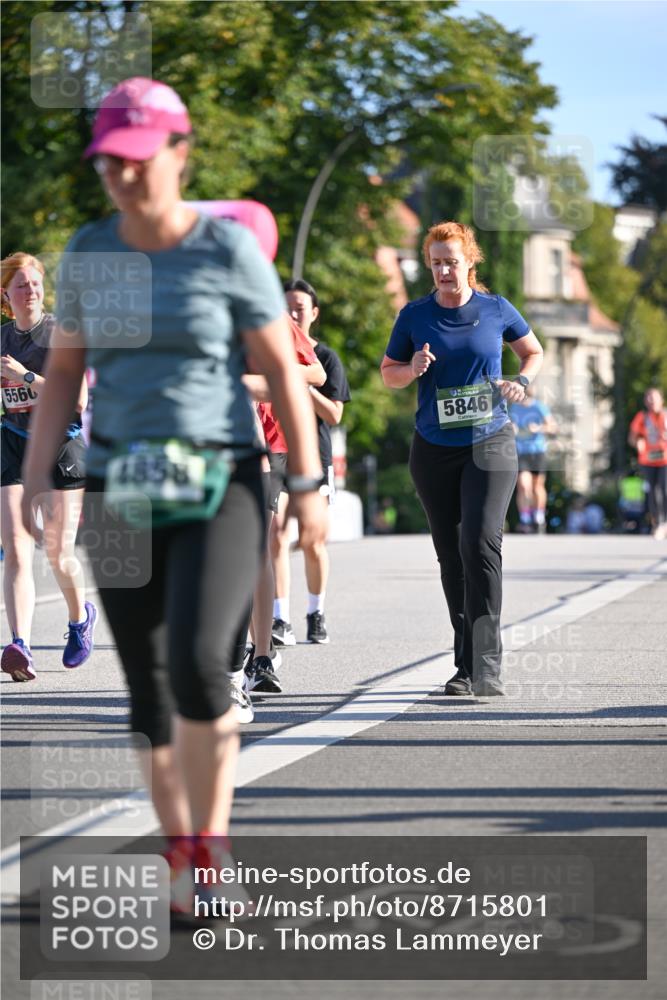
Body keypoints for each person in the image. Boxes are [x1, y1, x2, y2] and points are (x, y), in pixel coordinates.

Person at [20, 77, 326, 898]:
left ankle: (209, 840)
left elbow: (282, 375)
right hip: (122, 486)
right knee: (148, 688)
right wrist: (34, 474)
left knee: (198, 665)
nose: (121, 175)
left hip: (220, 477)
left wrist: (303, 484)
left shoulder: (223, 252)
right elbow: (63, 378)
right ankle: (179, 842)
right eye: (107, 162)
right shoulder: (90, 251)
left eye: (137, 158)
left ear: (180, 154)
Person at [381, 221, 543, 697]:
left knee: (479, 541)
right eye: (436, 263)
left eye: (452, 261)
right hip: (433, 448)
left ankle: (487, 664)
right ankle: (465, 665)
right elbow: (388, 373)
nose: (444, 270)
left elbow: (532, 352)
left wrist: (523, 382)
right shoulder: (414, 315)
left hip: (490, 442)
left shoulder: (496, 309)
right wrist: (410, 369)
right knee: (451, 555)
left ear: (470, 261)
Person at [1, 252, 95, 682]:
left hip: (60, 447)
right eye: (21, 285)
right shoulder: (2, 340)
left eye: (35, 283)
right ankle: (19, 645)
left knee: (57, 551)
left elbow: (76, 401)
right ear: (6, 295)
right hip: (13, 446)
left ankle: (79, 619)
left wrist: (24, 378)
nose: (30, 291)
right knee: (18, 549)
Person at [241, 313, 326, 690]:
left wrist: (255, 382)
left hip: (266, 444)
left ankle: (260, 657)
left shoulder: (266, 312)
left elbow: (316, 375)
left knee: (256, 546)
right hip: (205, 442)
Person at [270, 279, 351, 646]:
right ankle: (279, 617)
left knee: (312, 541)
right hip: (274, 452)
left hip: (311, 455)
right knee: (275, 537)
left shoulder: (326, 359)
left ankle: (316, 612)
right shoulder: (267, 352)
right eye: (286, 307)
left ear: (313, 314)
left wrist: (301, 387)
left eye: (300, 308)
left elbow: (334, 415)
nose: (292, 314)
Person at [509, 384, 557, 533]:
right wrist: (511, 428)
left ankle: (539, 517)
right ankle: (525, 520)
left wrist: (538, 428)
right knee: (523, 485)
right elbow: (508, 425)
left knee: (537, 487)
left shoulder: (539, 407)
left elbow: (553, 427)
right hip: (521, 451)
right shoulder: (514, 408)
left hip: (537, 451)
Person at [628, 387, 667, 539]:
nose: (651, 401)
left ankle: (665, 522)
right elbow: (632, 437)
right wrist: (638, 441)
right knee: (652, 491)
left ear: (661, 400)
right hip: (648, 459)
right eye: (648, 398)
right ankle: (657, 523)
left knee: (664, 489)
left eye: (654, 398)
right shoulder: (642, 417)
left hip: (665, 459)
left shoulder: (665, 415)